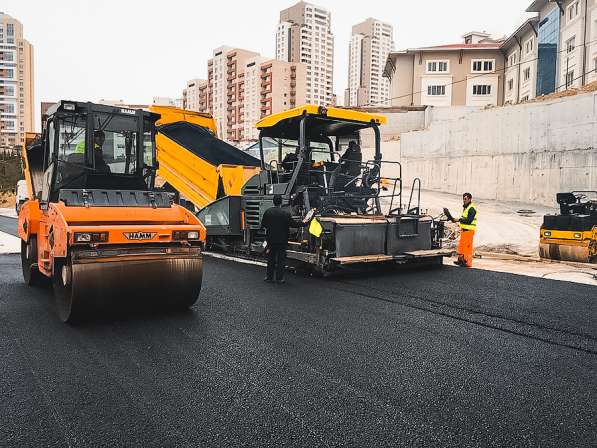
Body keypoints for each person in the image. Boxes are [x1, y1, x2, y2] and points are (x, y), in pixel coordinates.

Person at [261, 194, 307, 284]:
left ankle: (269, 277)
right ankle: (279, 278)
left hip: (271, 240)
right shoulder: (285, 214)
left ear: (273, 202)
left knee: (271, 259)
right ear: (281, 202)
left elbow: (264, 225)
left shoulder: (268, 212)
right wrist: (305, 223)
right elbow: (294, 224)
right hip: (282, 240)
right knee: (281, 260)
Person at [446, 193, 478, 267]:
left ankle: (467, 262)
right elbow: (464, 219)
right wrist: (456, 220)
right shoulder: (466, 208)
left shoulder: (472, 208)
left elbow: (469, 220)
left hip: (469, 231)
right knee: (462, 246)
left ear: (470, 199)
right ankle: (461, 260)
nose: (464, 200)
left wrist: (459, 220)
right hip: (464, 230)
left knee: (467, 248)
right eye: (463, 199)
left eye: (465, 199)